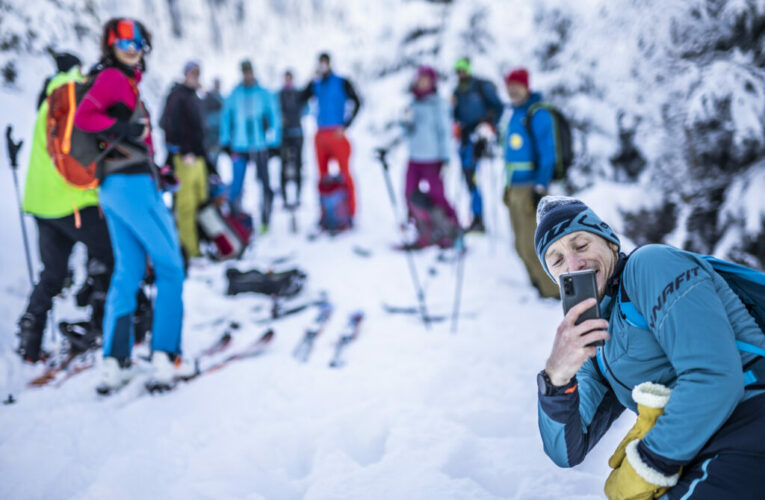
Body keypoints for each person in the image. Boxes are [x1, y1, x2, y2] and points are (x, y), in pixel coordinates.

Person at [534, 196, 765, 499]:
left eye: (581, 245)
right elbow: (566, 451)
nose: (574, 264)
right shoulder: (595, 342)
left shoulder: (650, 265)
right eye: (557, 260)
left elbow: (715, 376)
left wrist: (648, 461)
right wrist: (556, 378)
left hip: (749, 416)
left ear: (611, 243)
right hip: (700, 446)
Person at [74, 18, 185, 393]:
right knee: (171, 268)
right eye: (124, 42)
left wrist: (160, 172)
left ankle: (114, 361)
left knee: (129, 271)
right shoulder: (112, 78)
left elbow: (128, 143)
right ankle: (166, 357)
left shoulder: (121, 81)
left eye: (138, 43)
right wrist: (123, 129)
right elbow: (85, 117)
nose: (133, 48)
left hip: (116, 188)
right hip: (133, 187)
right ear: (110, 45)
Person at [17, 54, 115, 363]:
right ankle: (100, 321)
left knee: (53, 273)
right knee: (109, 254)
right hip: (74, 201)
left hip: (40, 203)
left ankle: (30, 336)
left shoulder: (47, 97)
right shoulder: (78, 93)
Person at [501, 68, 560, 298]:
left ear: (526, 86)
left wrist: (540, 186)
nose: (512, 90)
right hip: (514, 187)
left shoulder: (537, 114)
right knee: (519, 246)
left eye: (517, 86)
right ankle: (539, 288)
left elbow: (548, 153)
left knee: (532, 245)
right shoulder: (513, 114)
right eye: (509, 86)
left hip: (531, 188)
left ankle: (554, 293)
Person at [400, 65, 460, 249]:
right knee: (409, 193)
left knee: (438, 196)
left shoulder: (438, 104)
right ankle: (424, 231)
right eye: (420, 79)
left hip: (433, 159)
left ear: (432, 83)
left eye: (426, 80)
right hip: (414, 157)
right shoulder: (412, 104)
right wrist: (405, 122)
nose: (422, 83)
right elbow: (407, 133)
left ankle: (451, 230)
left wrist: (446, 159)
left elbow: (444, 133)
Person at [159, 60, 214, 259]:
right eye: (192, 73)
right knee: (186, 206)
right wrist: (182, 151)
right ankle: (189, 251)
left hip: (198, 158)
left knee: (201, 203)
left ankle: (199, 245)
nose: (195, 77)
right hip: (184, 159)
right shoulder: (177, 96)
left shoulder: (194, 97)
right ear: (185, 75)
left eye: (197, 73)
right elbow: (167, 125)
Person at [219, 59, 281, 232]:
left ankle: (265, 219)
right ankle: (236, 221)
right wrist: (225, 141)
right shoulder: (234, 94)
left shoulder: (263, 93)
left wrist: (274, 142)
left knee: (264, 183)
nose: (247, 74)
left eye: (249, 71)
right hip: (239, 145)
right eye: (244, 71)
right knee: (236, 184)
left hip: (260, 145)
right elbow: (226, 118)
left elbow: (274, 117)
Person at [300, 52, 361, 222]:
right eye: (320, 63)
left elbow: (357, 102)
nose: (322, 66)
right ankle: (326, 213)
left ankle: (350, 212)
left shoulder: (341, 82)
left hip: (337, 134)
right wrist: (311, 78)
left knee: (345, 174)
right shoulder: (316, 84)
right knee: (322, 176)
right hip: (320, 134)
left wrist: (346, 124)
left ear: (329, 63)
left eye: (324, 63)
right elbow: (301, 98)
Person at [451, 57, 504, 233]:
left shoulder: (481, 86)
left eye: (463, 69)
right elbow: (455, 115)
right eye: (458, 70)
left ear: (469, 70)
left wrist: (489, 125)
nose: (461, 73)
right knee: (469, 177)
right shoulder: (457, 91)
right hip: (465, 139)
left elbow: (498, 107)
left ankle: (479, 217)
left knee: (472, 176)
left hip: (480, 137)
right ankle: (475, 216)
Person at [278, 69, 304, 207]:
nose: (288, 80)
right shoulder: (279, 95)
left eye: (290, 78)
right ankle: (284, 198)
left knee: (299, 165)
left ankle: (298, 197)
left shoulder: (298, 94)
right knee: (283, 165)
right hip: (284, 135)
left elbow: (305, 109)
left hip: (297, 134)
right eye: (286, 78)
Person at [201, 77, 224, 168]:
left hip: (217, 135)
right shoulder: (207, 97)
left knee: (214, 159)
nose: (217, 86)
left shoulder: (221, 99)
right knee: (206, 158)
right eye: (215, 84)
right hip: (207, 133)